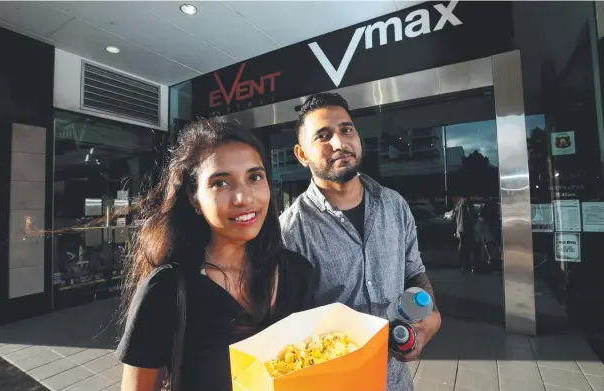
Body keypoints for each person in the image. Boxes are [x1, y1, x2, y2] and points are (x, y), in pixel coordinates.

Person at [115, 119, 315, 391]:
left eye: (255, 177)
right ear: (194, 197)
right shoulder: (166, 290)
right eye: (221, 183)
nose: (243, 197)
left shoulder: (297, 273)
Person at [280, 92, 442, 391]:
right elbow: (287, 327)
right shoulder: (289, 231)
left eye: (346, 129)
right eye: (323, 136)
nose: (340, 143)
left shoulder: (394, 205)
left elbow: (413, 272)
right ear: (302, 155)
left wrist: (429, 313)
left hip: (395, 381)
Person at [451, 196, 476, 272]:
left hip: (459, 228)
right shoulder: (466, 203)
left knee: (462, 246)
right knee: (467, 246)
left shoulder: (458, 204)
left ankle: (462, 264)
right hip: (466, 227)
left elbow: (453, 217)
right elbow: (470, 214)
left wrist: (455, 230)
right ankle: (467, 264)